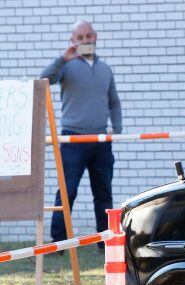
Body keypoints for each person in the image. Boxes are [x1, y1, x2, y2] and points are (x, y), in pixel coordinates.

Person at [40, 20, 121, 249]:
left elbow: (114, 102)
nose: (85, 40)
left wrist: (117, 128)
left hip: (100, 141)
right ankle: (58, 242)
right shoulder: (66, 67)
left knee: (103, 193)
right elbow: (43, 80)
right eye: (80, 37)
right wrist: (62, 59)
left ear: (95, 37)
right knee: (68, 192)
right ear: (73, 41)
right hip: (72, 140)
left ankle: (105, 243)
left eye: (89, 36)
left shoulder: (105, 69)